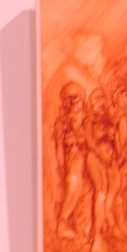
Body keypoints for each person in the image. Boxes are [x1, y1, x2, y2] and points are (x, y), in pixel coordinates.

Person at [55, 81, 89, 239]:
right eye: (71, 98)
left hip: (84, 160)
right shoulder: (61, 123)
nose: (74, 101)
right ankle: (61, 225)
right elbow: (59, 147)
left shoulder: (86, 121)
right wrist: (61, 166)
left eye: (77, 97)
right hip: (72, 160)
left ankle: (80, 226)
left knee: (84, 191)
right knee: (73, 190)